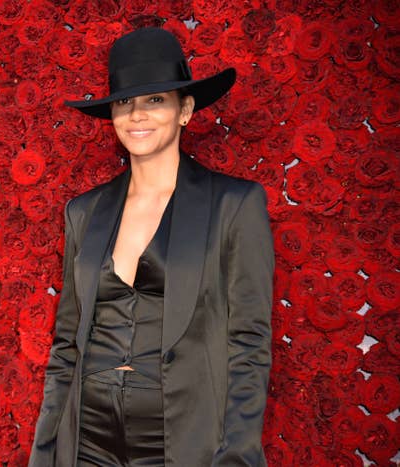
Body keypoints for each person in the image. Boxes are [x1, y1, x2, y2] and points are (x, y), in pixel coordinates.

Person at [29, 27, 274, 467]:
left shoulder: (235, 205)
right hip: (87, 442)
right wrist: (45, 454)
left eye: (155, 100)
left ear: (185, 110)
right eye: (125, 102)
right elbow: (66, 345)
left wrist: (236, 455)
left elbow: (249, 345)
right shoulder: (84, 213)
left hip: (180, 443)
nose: (137, 115)